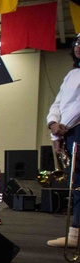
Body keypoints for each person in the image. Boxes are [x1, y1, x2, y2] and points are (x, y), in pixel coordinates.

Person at [47, 33, 80, 247]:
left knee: (78, 183)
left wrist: (61, 129)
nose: (79, 47)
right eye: (77, 43)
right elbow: (57, 103)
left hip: (76, 130)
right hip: (69, 132)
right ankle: (75, 234)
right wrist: (53, 126)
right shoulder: (72, 74)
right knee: (74, 182)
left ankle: (75, 235)